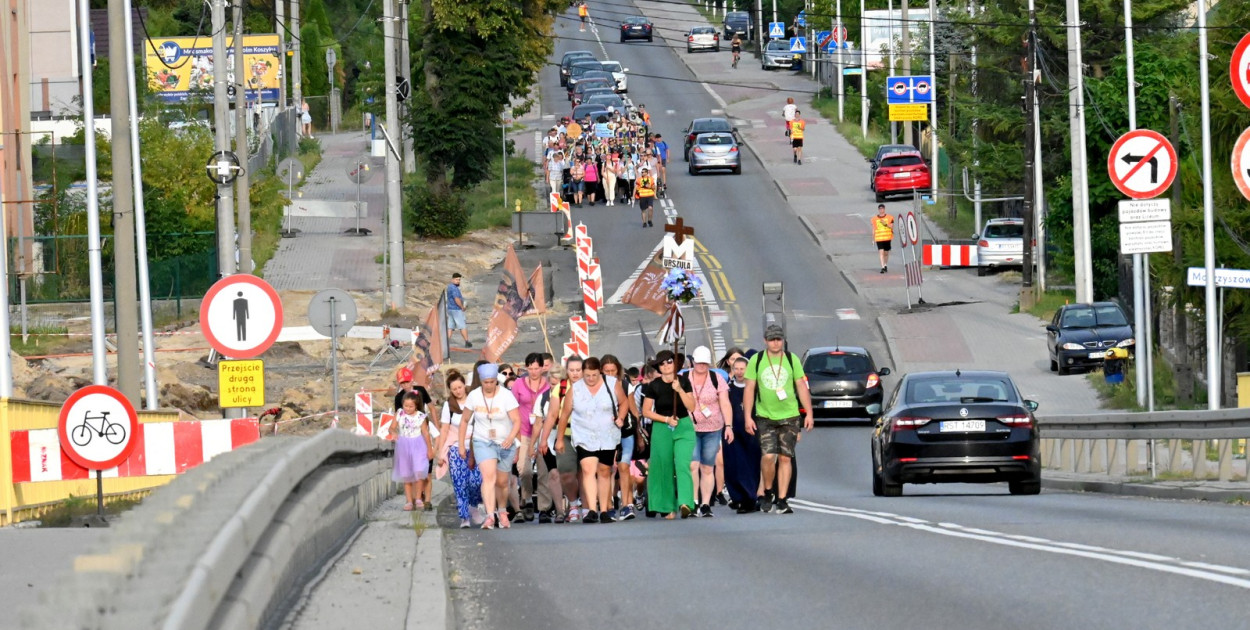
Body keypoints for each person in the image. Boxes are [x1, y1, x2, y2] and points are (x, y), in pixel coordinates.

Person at [742, 325, 813, 515]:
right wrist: (748, 417)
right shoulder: (757, 361)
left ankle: (782, 499)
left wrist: (809, 413)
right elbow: (749, 389)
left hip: (789, 416)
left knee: (785, 457)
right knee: (768, 456)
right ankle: (767, 491)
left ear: (783, 341)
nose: (775, 343)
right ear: (765, 341)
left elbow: (801, 386)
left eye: (778, 339)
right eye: (772, 339)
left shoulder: (792, 359)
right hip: (764, 416)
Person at [557, 357, 627, 524]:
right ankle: (591, 509)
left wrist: (621, 418)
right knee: (588, 469)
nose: (590, 378)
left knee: (604, 471)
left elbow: (624, 403)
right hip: (584, 434)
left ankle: (604, 509)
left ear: (599, 372)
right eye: (587, 375)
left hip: (607, 435)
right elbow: (564, 414)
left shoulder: (612, 383)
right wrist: (559, 439)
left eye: (594, 375)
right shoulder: (575, 389)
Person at [458, 363, 522, 529]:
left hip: (504, 442)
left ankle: (502, 510)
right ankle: (490, 515)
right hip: (482, 441)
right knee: (488, 477)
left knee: (502, 482)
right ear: (481, 381)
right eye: (485, 382)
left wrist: (511, 437)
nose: (488, 385)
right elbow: (464, 420)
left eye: (492, 382)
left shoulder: (506, 396)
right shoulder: (474, 396)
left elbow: (516, 421)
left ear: (496, 381)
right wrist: (461, 445)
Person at [642, 350, 698, 519]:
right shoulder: (654, 385)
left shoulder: (683, 381)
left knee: (682, 463)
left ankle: (685, 503)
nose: (666, 365)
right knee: (663, 466)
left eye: (669, 362)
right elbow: (646, 411)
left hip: (683, 426)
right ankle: (667, 506)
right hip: (662, 426)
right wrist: (666, 419)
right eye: (662, 363)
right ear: (658, 367)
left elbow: (692, 407)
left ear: (675, 364)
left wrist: (679, 389)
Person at [685, 346, 733, 517]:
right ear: (694, 362)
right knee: (692, 465)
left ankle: (705, 504)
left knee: (707, 467)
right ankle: (693, 501)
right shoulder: (684, 377)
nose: (701, 366)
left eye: (705, 363)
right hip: (689, 429)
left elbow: (725, 403)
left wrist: (729, 426)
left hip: (713, 429)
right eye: (698, 363)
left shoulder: (716, 378)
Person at [436, 371, 483, 529]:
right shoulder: (449, 406)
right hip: (456, 448)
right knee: (459, 483)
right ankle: (464, 516)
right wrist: (441, 452)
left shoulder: (475, 400)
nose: (458, 391)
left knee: (476, 481)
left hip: (476, 446)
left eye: (460, 387)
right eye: (454, 389)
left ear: (465, 386)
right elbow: (444, 429)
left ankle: (474, 506)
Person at [511, 353, 550, 522]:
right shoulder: (519, 384)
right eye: (530, 368)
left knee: (543, 472)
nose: (534, 372)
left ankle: (544, 508)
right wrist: (516, 434)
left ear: (542, 368)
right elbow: (511, 409)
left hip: (542, 431)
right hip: (524, 431)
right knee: (524, 469)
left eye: (537, 368)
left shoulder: (548, 384)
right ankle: (526, 499)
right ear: (526, 368)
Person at [601, 355, 639, 520]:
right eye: (606, 371)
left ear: (618, 370)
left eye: (613, 371)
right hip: (605, 433)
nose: (610, 374)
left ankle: (627, 504)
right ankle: (608, 505)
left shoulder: (625, 384)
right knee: (608, 468)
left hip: (626, 431)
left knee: (624, 467)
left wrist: (639, 434)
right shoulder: (596, 387)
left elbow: (634, 411)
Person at [723, 355, 762, 512]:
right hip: (732, 431)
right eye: (736, 369)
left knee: (751, 464)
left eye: (742, 369)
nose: (739, 372)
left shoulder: (755, 388)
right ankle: (737, 497)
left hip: (751, 430)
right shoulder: (727, 388)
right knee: (734, 465)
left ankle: (750, 498)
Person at [535, 365, 568, 522]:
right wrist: (536, 444)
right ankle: (560, 511)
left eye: (557, 383)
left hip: (568, 439)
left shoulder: (571, 394)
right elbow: (538, 423)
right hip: (549, 440)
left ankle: (572, 505)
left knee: (568, 476)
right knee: (553, 474)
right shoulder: (543, 398)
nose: (554, 387)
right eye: (552, 384)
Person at [391, 392, 433, 511]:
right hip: (404, 444)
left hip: (418, 444)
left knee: (419, 472)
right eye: (406, 406)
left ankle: (419, 498)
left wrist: (429, 449)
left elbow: (425, 433)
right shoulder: (399, 413)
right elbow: (392, 427)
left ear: (416, 406)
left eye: (411, 406)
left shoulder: (420, 416)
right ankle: (409, 501)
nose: (408, 409)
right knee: (407, 474)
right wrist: (393, 432)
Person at [446, 273, 472, 347]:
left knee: (450, 327)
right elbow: (456, 299)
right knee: (462, 326)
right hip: (456, 310)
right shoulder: (454, 288)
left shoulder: (450, 287)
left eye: (459, 280)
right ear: (452, 279)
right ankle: (467, 341)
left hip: (450, 309)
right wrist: (462, 307)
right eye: (457, 280)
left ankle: (447, 342)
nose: (458, 281)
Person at [873, 203, 895, 273]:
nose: (881, 210)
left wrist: (885, 224)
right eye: (880, 209)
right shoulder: (874, 219)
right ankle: (882, 267)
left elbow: (891, 226)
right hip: (879, 238)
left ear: (884, 209)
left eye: (882, 208)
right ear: (878, 210)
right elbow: (873, 229)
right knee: (881, 252)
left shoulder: (890, 217)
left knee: (886, 253)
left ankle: (885, 265)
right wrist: (872, 238)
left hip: (887, 238)